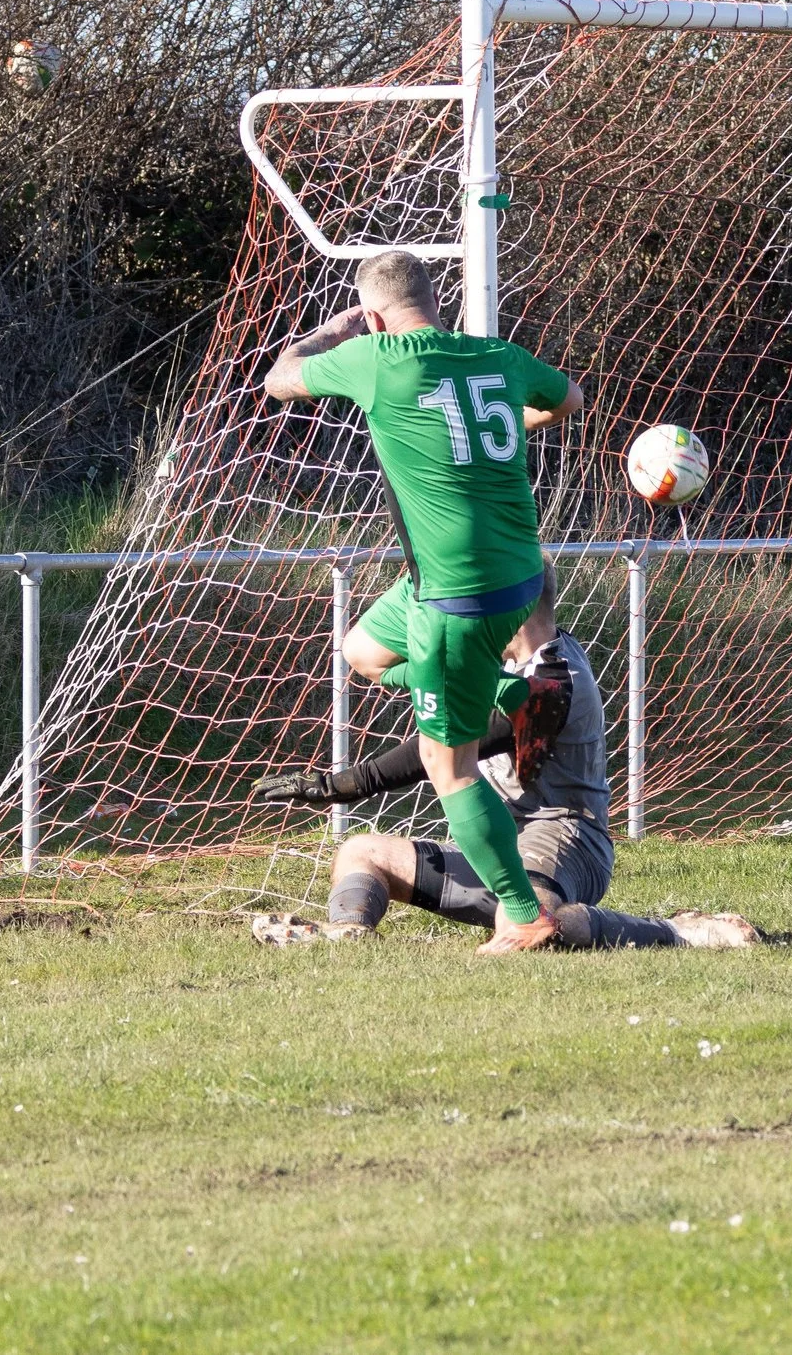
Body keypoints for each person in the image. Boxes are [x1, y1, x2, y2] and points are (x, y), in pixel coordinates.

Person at [262, 249, 584, 954]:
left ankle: (524, 917)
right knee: (361, 651)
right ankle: (507, 691)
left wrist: (332, 333)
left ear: (374, 317)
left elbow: (279, 378)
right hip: (509, 578)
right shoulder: (496, 354)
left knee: (451, 767)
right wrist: (488, 444)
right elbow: (569, 401)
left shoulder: (376, 357)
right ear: (437, 303)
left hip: (457, 598)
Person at [247, 576, 755, 950]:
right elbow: (374, 658)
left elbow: (452, 745)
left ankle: (678, 931)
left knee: (531, 931)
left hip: (564, 838)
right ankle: (346, 937)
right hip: (495, 836)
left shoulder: (553, 680)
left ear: (510, 608)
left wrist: (343, 784)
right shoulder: (504, 667)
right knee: (361, 852)